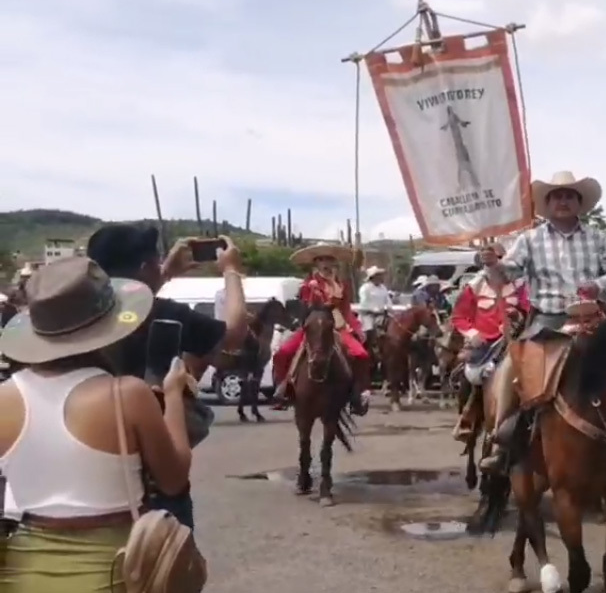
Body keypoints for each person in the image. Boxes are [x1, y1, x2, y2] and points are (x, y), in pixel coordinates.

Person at [0, 257, 194, 592]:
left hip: (21, 569)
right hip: (113, 569)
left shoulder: (4, 397)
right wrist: (173, 396)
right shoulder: (127, 395)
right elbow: (174, 479)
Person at [87, 225, 247, 529]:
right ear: (146, 266)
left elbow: (128, 303)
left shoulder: (81, 316)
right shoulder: (166, 314)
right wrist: (231, 272)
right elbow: (235, 332)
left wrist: (163, 273)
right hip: (154, 476)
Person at [477, 170, 606, 471]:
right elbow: (506, 275)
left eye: (569, 196)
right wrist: (493, 265)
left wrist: (598, 286)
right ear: (548, 204)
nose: (563, 201)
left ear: (579, 202)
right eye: (557, 196)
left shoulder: (599, 238)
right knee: (509, 368)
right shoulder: (529, 240)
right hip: (545, 322)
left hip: (592, 320)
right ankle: (501, 437)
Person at [270, 243, 372, 416]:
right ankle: (283, 388)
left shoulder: (342, 284)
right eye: (321, 260)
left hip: (339, 327)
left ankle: (358, 393)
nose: (326, 263)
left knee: (362, 355)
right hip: (315, 326)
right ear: (315, 264)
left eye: (329, 260)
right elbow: (307, 308)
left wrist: (357, 327)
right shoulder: (309, 285)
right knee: (283, 353)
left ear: (334, 263)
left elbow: (346, 310)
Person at [450, 243, 530, 441]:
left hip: (516, 339)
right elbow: (459, 317)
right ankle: (467, 418)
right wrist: (472, 333)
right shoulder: (473, 287)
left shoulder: (520, 286)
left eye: (496, 260)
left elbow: (529, 309)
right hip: (484, 343)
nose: (493, 266)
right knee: (470, 376)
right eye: (487, 262)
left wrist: (518, 317)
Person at [358, 266, 391, 377]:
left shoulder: (383, 288)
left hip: (382, 314)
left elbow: (388, 301)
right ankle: (367, 352)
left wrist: (387, 308)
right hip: (368, 315)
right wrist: (374, 309)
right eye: (378, 275)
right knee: (369, 330)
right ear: (372, 277)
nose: (381, 278)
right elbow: (363, 304)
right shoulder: (365, 288)